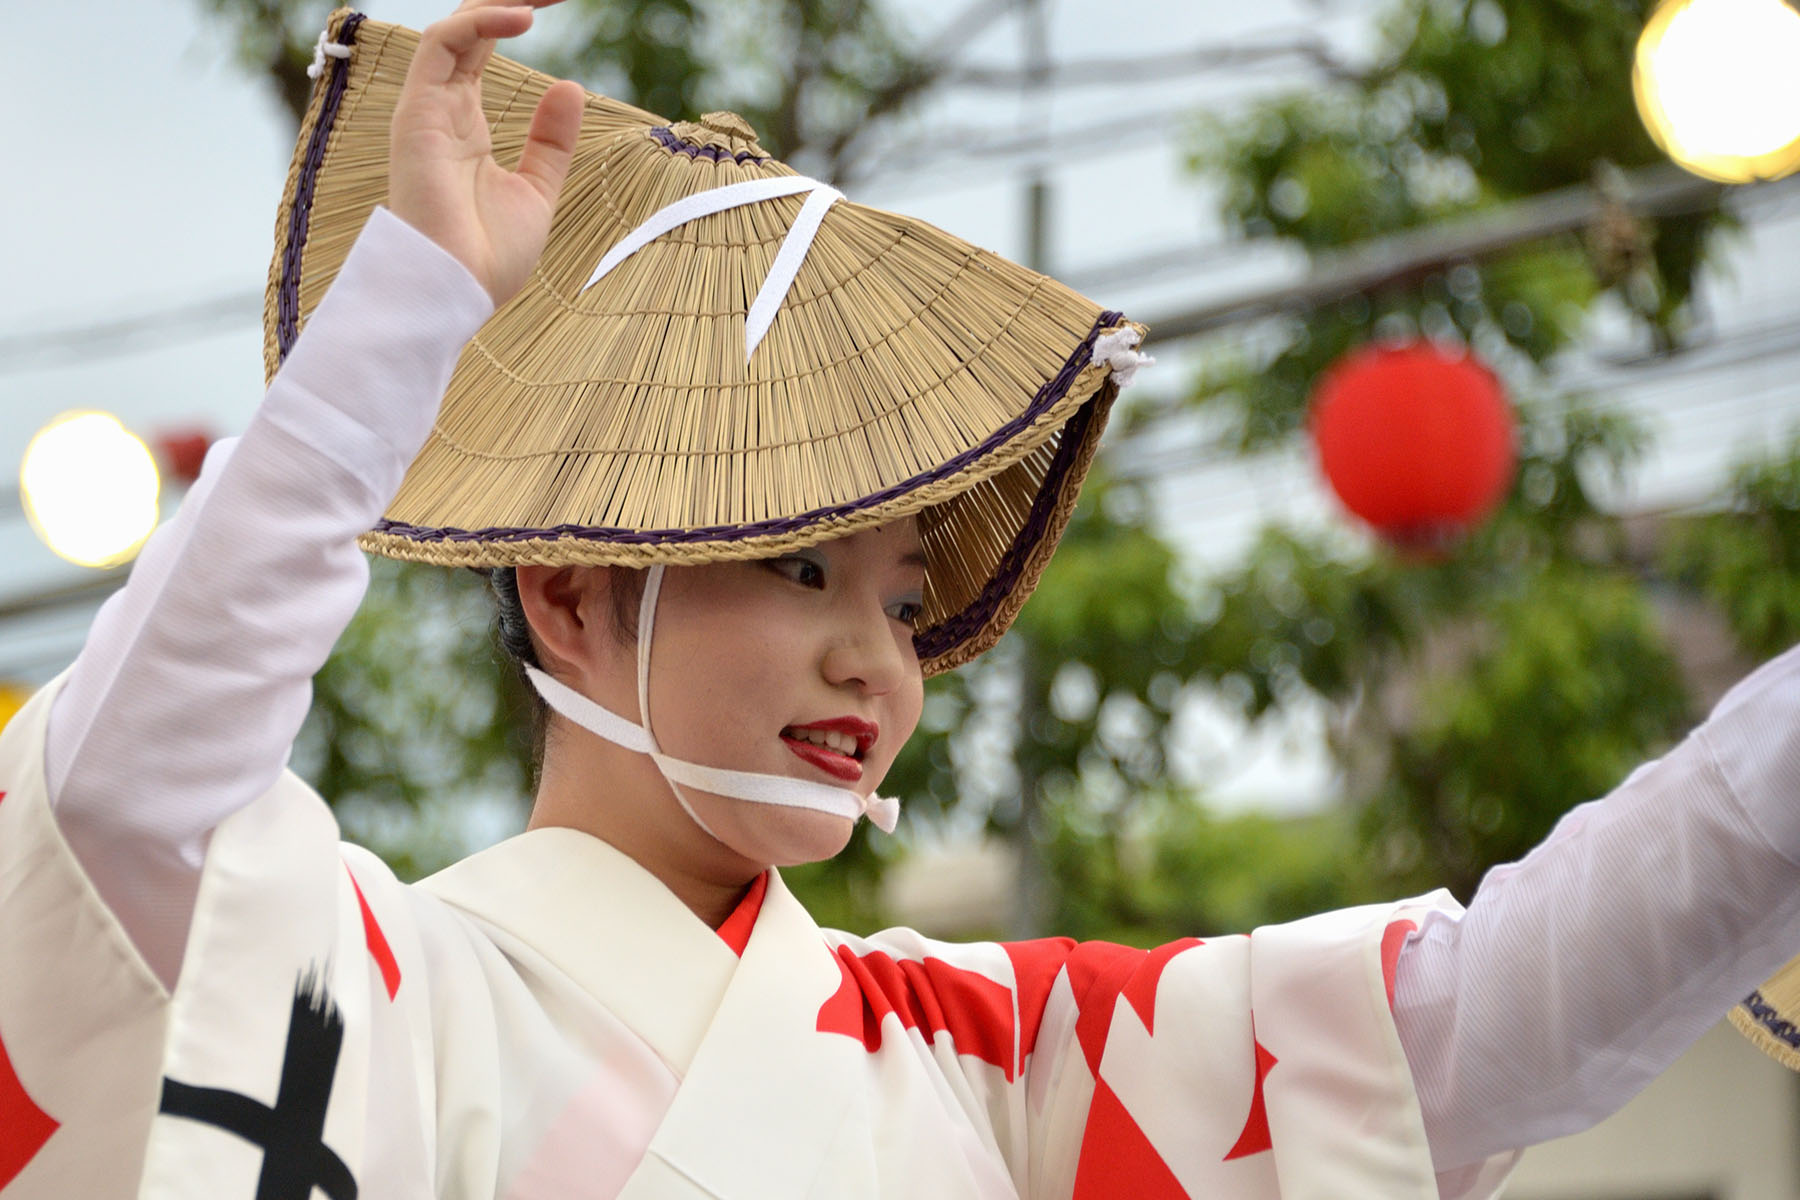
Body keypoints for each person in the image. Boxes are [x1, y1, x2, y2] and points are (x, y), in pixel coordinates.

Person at [3, 2, 1800, 1197]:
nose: (878, 656)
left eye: (910, 591)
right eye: (798, 565)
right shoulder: (382, 980)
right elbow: (119, 807)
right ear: (563, 593)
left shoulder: (986, 1052)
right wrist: (396, 331)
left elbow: (1485, 1020)